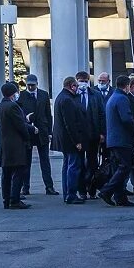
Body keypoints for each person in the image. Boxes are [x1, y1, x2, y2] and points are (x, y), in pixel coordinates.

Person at [98, 75, 134, 207]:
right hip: (122, 139)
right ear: (127, 86)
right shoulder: (122, 98)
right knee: (125, 167)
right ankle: (106, 191)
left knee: (118, 168)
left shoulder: (113, 97)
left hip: (113, 139)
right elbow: (127, 119)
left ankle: (120, 198)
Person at [0, 81, 36, 209]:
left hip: (5, 145)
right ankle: (15, 199)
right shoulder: (13, 107)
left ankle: (6, 199)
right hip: (16, 145)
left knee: (6, 173)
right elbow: (20, 125)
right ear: (13, 94)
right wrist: (29, 134)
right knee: (19, 172)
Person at [53, 76, 90, 205]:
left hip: (65, 140)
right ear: (71, 86)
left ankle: (67, 193)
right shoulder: (67, 100)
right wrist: (77, 141)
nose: (78, 89)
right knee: (73, 166)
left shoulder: (61, 97)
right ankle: (71, 194)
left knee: (67, 166)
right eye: (76, 86)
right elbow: (70, 123)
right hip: (70, 140)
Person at [17, 73, 57, 196]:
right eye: (28, 85)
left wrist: (50, 132)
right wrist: (26, 120)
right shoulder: (21, 96)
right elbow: (18, 115)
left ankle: (49, 187)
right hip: (28, 132)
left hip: (42, 131)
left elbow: (48, 115)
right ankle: (26, 187)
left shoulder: (43, 95)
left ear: (37, 84)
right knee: (26, 161)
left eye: (32, 85)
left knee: (45, 161)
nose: (30, 87)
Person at [74, 71, 106, 197]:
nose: (83, 83)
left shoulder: (95, 95)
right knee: (80, 163)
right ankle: (81, 190)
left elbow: (102, 114)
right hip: (80, 136)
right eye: (80, 81)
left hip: (94, 135)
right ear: (76, 81)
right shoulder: (73, 95)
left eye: (85, 81)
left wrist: (102, 133)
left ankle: (91, 186)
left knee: (93, 163)